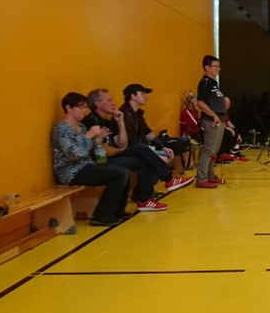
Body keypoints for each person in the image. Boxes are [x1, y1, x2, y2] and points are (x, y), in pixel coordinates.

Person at [86, 88, 193, 212]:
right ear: (98, 104)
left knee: (144, 156)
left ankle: (145, 200)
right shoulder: (93, 122)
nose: (113, 103)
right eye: (109, 100)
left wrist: (120, 122)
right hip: (98, 163)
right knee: (143, 151)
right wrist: (120, 150)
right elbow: (104, 152)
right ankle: (167, 180)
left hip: (116, 154)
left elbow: (123, 143)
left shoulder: (115, 118)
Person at [51, 92, 132, 227]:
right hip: (71, 171)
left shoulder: (82, 127)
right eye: (81, 107)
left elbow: (89, 149)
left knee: (126, 172)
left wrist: (99, 138)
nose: (84, 110)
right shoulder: (61, 129)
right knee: (119, 175)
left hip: (87, 165)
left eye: (85, 107)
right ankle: (101, 216)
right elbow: (74, 154)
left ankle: (117, 211)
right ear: (69, 108)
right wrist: (89, 135)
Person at [194, 55, 226, 188]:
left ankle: (210, 175)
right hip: (211, 121)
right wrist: (213, 115)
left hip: (220, 120)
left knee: (214, 151)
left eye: (219, 66)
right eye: (215, 66)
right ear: (207, 67)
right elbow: (200, 103)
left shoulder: (213, 83)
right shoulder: (205, 83)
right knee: (208, 150)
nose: (218, 69)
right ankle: (201, 178)